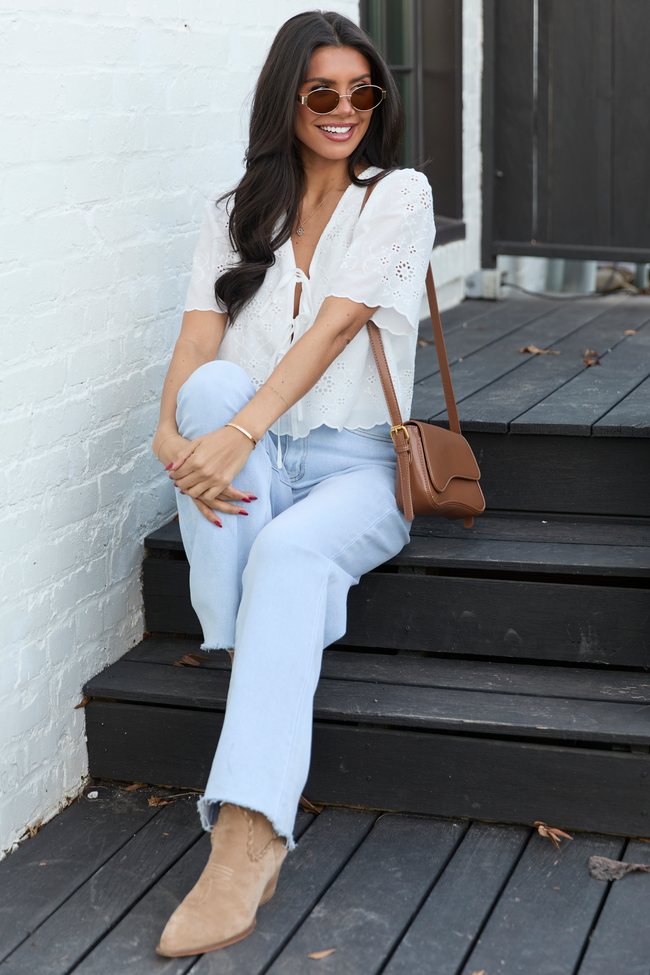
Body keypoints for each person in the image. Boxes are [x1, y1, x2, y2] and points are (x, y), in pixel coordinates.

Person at [152, 9, 435, 958]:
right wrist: (171, 431)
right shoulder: (237, 209)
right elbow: (199, 340)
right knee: (216, 381)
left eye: (364, 92)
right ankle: (249, 643)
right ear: (288, 98)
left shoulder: (397, 195)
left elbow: (335, 329)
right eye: (322, 92)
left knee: (288, 548)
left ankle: (248, 831)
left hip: (357, 465)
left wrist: (231, 435)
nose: (345, 108)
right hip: (259, 461)